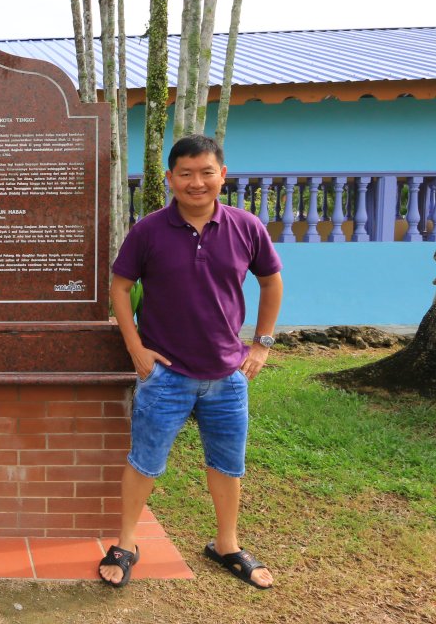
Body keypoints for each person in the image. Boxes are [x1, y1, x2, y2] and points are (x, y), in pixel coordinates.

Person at [98, 134, 283, 589]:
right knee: (144, 461)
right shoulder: (149, 230)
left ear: (222, 174)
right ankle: (126, 543)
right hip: (166, 376)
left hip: (227, 375)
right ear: (169, 179)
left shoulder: (246, 227)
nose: (196, 182)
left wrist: (261, 344)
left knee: (227, 464)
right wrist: (136, 348)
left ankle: (227, 544)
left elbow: (271, 281)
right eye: (185, 173)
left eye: (206, 172)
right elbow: (119, 287)